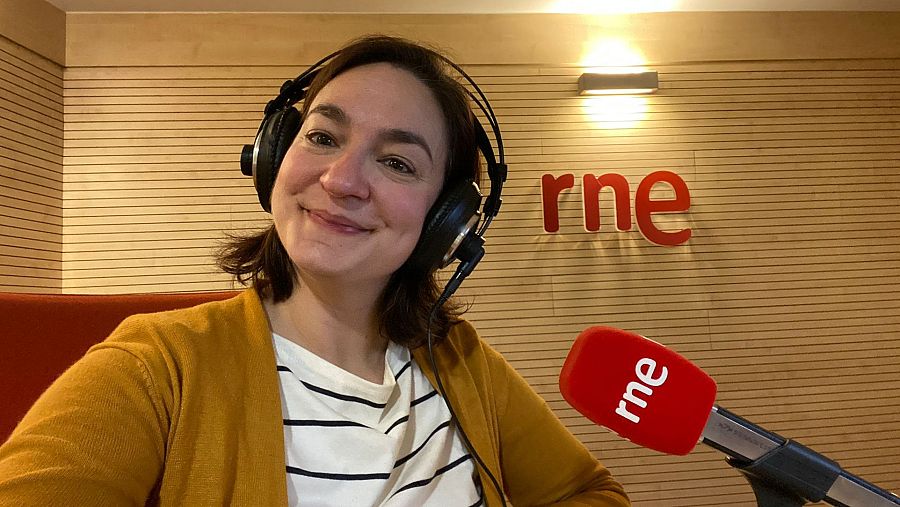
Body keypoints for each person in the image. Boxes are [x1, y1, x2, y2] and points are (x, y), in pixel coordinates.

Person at [0, 35, 630, 506]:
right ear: (274, 156)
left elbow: (588, 492)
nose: (341, 180)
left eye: (399, 163)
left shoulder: (462, 362)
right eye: (324, 138)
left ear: (446, 220)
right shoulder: (157, 364)